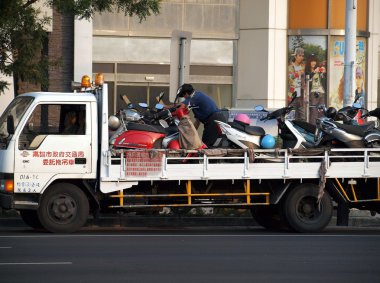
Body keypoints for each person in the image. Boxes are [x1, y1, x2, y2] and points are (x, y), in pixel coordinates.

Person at [306, 54, 326, 124]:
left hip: (321, 92)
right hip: (313, 93)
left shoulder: (318, 70)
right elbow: (307, 79)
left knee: (322, 111)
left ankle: (321, 127)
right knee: (314, 111)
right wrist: (314, 72)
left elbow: (324, 82)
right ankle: (312, 128)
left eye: (314, 61)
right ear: (309, 62)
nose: (313, 63)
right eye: (312, 61)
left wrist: (323, 73)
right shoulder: (308, 71)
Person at [288, 47, 306, 120]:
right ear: (295, 56)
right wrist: (299, 73)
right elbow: (290, 77)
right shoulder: (290, 66)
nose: (301, 57)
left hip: (301, 95)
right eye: (299, 55)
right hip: (292, 95)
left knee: (303, 117)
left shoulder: (303, 66)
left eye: (302, 56)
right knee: (291, 115)